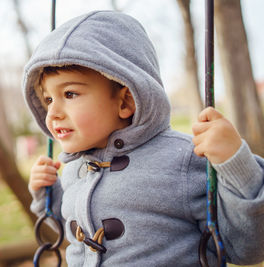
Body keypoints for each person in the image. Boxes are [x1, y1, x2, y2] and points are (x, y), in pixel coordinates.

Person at [22, 10, 264, 266]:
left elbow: (248, 246)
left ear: (126, 100)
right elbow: (71, 228)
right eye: (48, 99)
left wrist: (235, 164)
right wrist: (46, 195)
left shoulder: (183, 160)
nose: (53, 113)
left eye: (70, 94)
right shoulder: (76, 169)